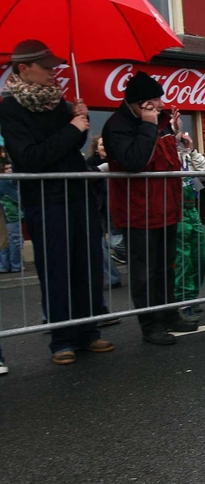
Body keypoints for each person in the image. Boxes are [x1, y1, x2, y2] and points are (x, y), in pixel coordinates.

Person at [0, 40, 113, 364]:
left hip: (77, 195)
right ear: (24, 68)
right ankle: (61, 337)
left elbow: (68, 149)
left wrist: (79, 121)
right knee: (57, 268)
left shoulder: (61, 104)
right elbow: (30, 157)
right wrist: (72, 129)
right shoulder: (10, 108)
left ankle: (89, 330)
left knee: (87, 264)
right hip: (46, 201)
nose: (54, 73)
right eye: (47, 67)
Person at [103, 71, 195, 346]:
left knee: (166, 266)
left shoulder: (161, 122)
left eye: (159, 101)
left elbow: (166, 161)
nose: (159, 105)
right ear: (139, 104)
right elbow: (135, 160)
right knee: (145, 272)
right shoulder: (116, 125)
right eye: (153, 101)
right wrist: (147, 126)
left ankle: (168, 313)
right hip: (137, 211)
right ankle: (149, 324)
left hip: (165, 207)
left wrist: (175, 137)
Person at [174, 132, 205, 323]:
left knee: (201, 258)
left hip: (191, 209)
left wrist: (192, 149)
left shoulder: (187, 155)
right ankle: (182, 301)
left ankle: (192, 296)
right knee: (183, 259)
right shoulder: (168, 154)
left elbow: (204, 175)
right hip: (175, 211)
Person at [85, 136, 121, 290]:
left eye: (107, 144)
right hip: (97, 209)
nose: (104, 147)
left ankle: (141, 264)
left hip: (116, 209)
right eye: (101, 144)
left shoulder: (120, 161)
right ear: (96, 147)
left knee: (117, 244)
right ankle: (113, 278)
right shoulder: (90, 164)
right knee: (99, 245)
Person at [0, 162, 22, 273]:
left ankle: (5, 265)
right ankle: (15, 265)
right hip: (11, 215)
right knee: (15, 240)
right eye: (7, 168)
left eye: (10, 168)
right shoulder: (4, 182)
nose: (9, 170)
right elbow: (16, 198)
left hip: (6, 215)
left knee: (5, 240)